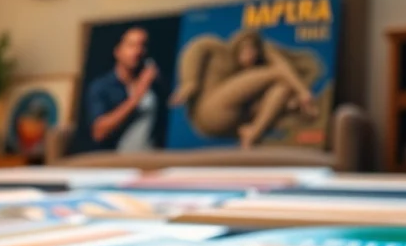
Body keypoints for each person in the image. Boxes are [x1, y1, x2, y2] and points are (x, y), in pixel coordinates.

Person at [170, 29, 321, 149]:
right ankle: (303, 97)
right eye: (246, 49)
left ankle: (253, 133)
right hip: (209, 110)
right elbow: (195, 49)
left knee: (283, 88)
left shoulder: (254, 69)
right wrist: (189, 82)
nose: (250, 55)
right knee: (276, 74)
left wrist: (296, 103)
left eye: (254, 51)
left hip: (233, 121)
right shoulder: (219, 50)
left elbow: (281, 66)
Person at [82, 27, 164, 152]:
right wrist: (136, 97)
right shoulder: (102, 86)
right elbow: (99, 132)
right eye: (131, 45)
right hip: (116, 161)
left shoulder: (152, 83)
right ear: (118, 51)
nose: (137, 51)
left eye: (142, 45)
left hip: (151, 159)